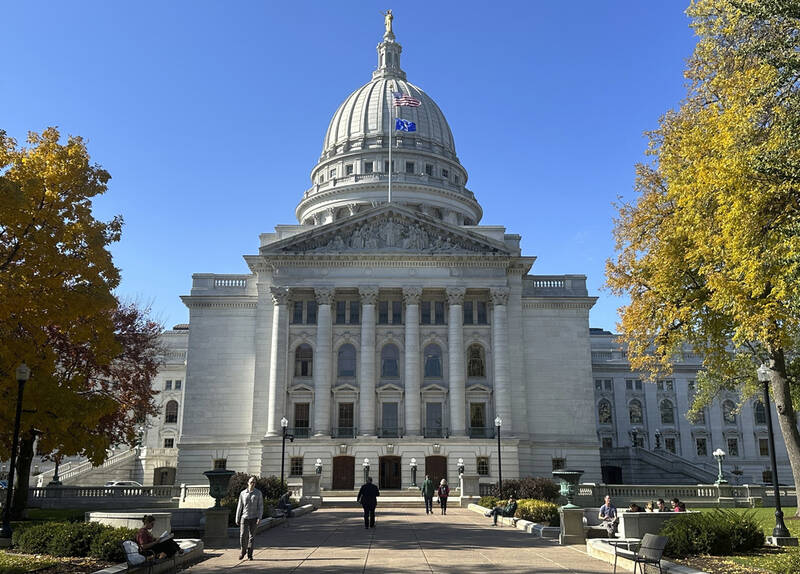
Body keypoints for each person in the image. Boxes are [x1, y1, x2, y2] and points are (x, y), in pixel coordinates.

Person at [235, 476, 264, 560]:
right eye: (251, 482)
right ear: (248, 483)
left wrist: (259, 517)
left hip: (254, 517)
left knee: (252, 537)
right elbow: (239, 506)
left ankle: (250, 554)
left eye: (254, 482)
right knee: (242, 535)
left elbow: (260, 506)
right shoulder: (243, 493)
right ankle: (243, 551)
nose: (252, 484)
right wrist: (237, 517)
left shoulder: (258, 493)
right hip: (244, 517)